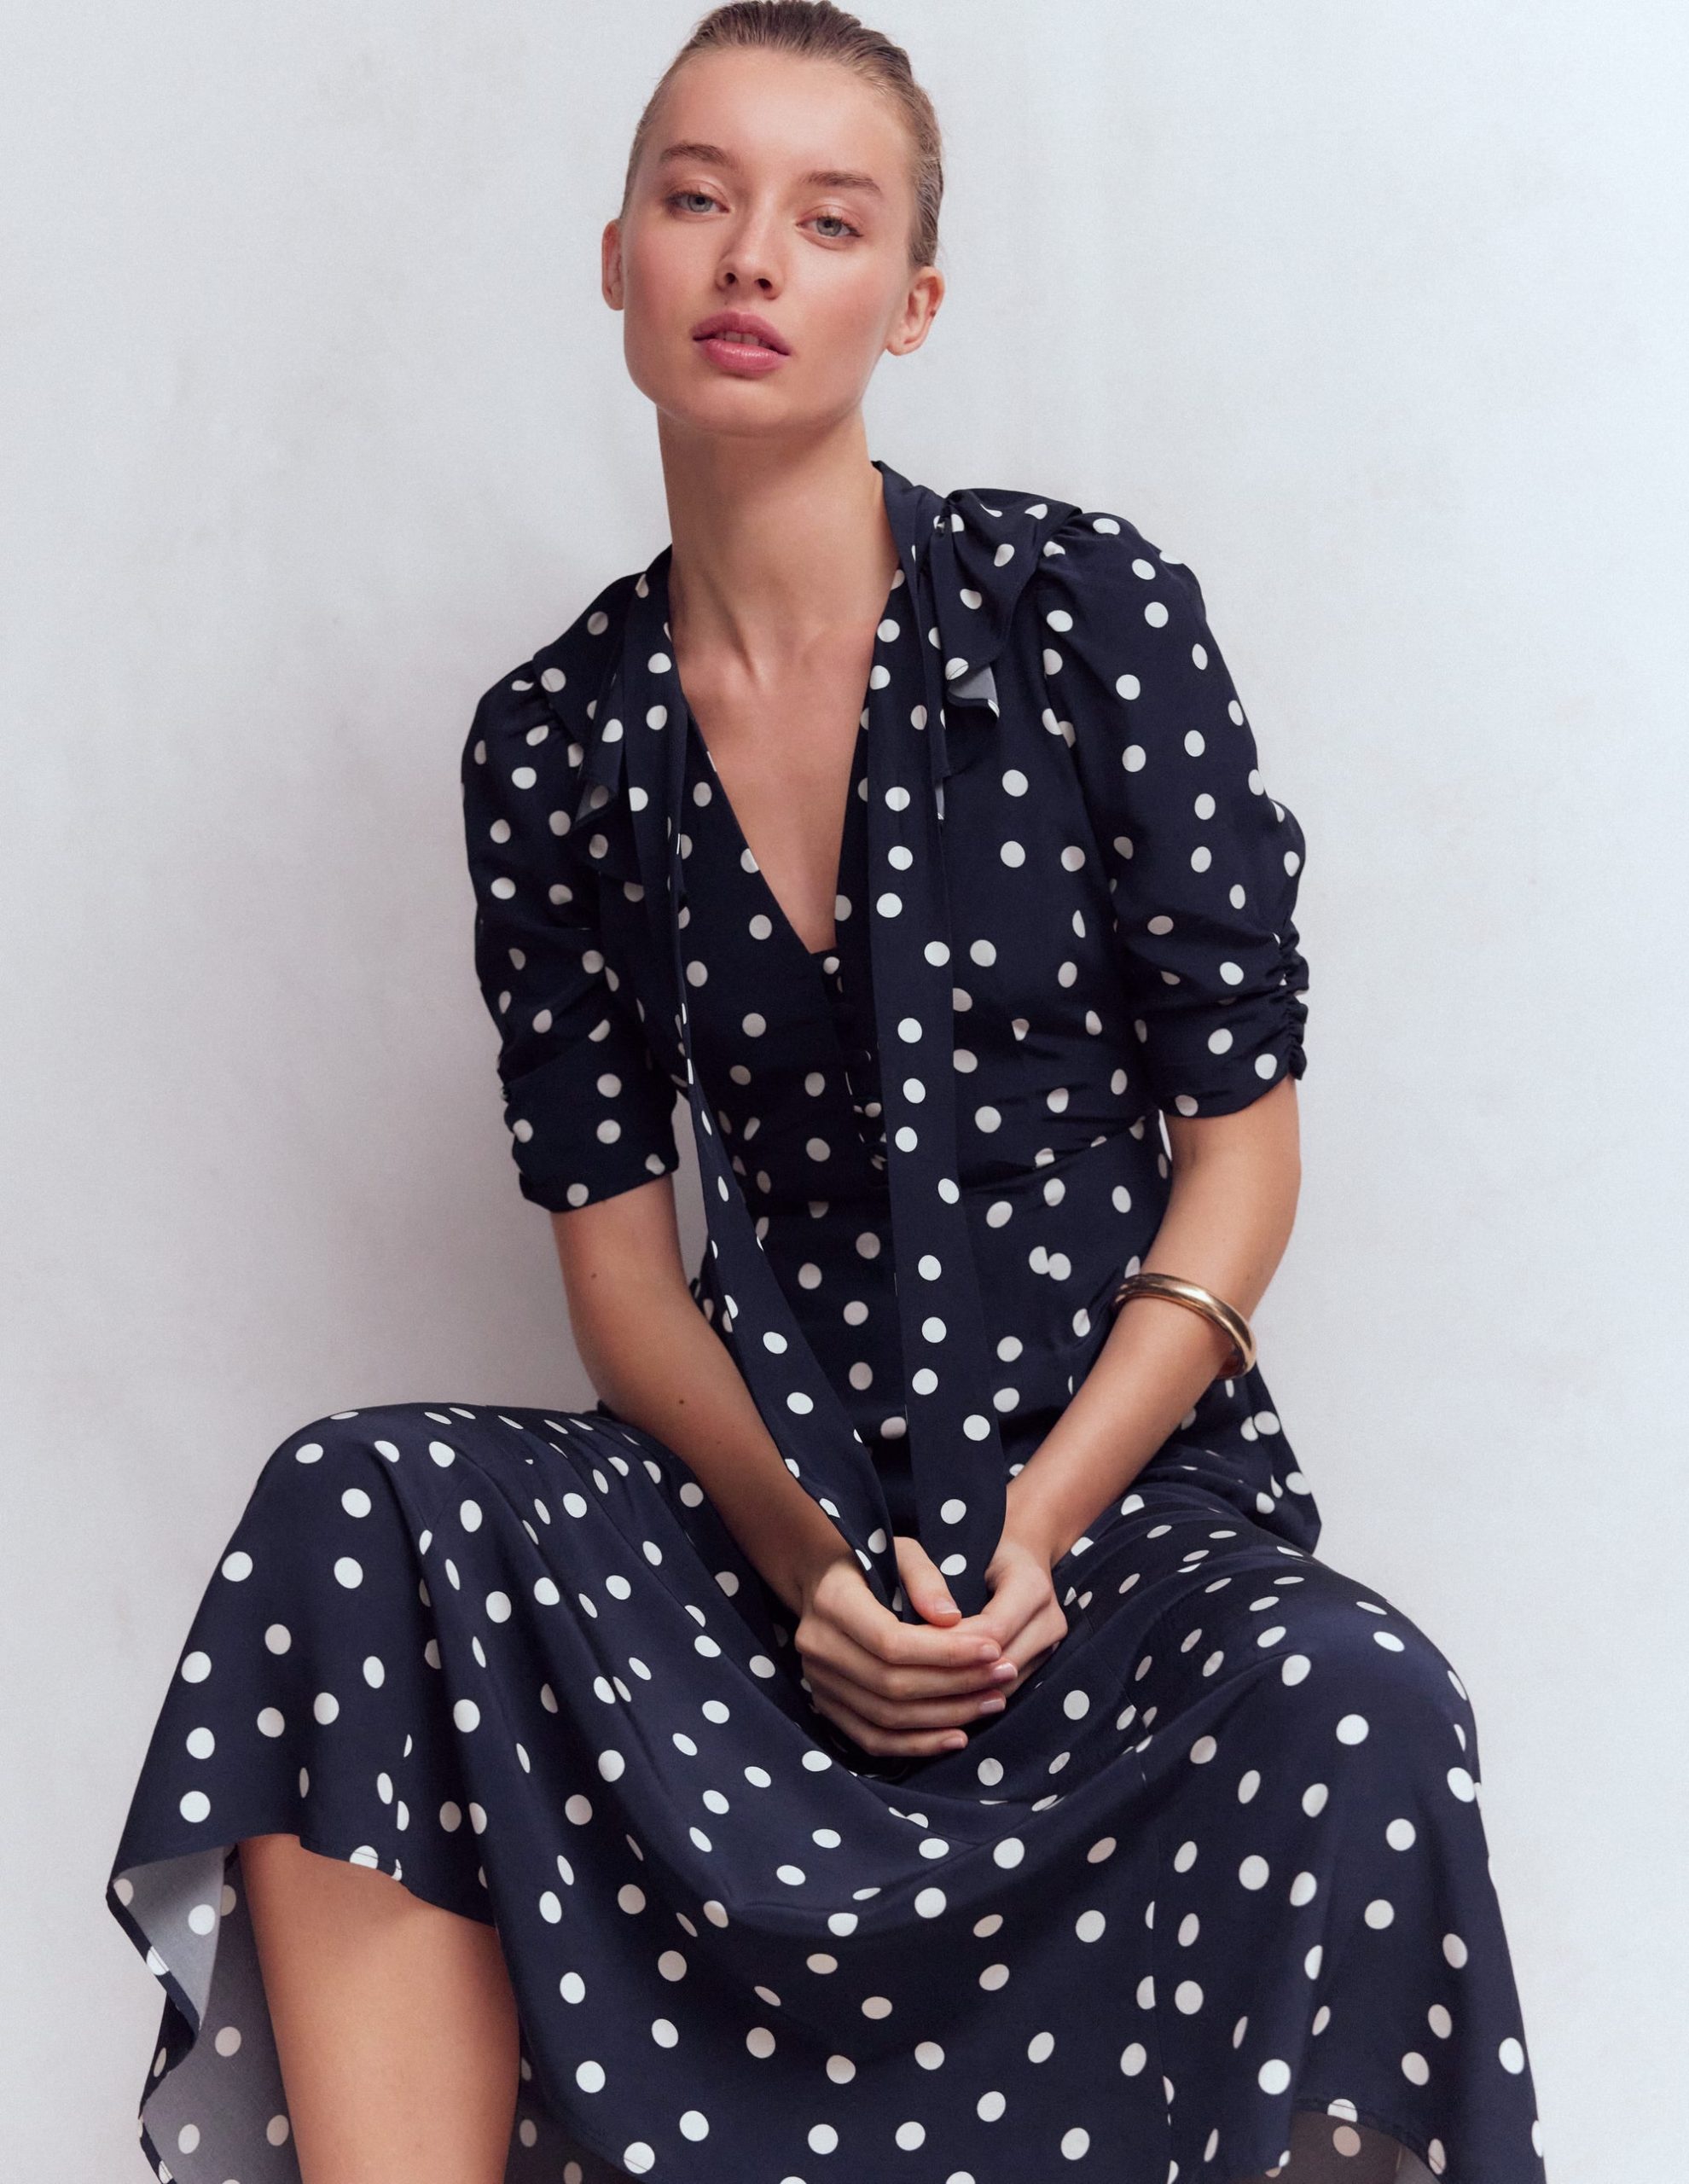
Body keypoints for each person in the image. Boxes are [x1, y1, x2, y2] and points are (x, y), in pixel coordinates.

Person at [106, 6, 1551, 2181]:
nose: (752, 258)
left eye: (830, 218)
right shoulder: (555, 739)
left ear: (916, 300)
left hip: (1110, 1513)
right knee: (361, 1502)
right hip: (750, 1527)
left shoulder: (1086, 618)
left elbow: (1242, 1158)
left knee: (1361, 1691)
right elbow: (622, 1278)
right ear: (617, 257)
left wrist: (1033, 1533)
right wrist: (807, 1566)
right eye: (698, 198)